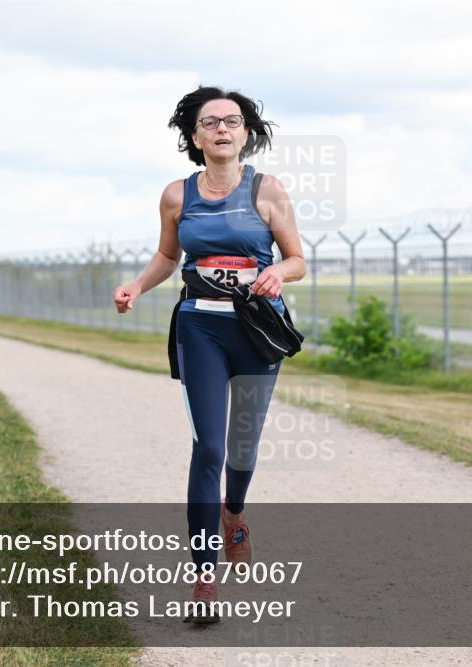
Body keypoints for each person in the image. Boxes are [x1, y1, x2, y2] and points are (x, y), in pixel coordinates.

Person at [113, 86, 305, 623]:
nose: (222, 128)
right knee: (209, 449)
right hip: (200, 327)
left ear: (246, 134)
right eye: (211, 122)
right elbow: (166, 255)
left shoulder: (268, 190)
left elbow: (297, 260)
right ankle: (204, 578)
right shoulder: (177, 195)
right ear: (194, 137)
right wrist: (136, 286)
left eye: (232, 121)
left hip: (257, 329)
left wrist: (276, 271)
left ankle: (234, 514)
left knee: (243, 448)